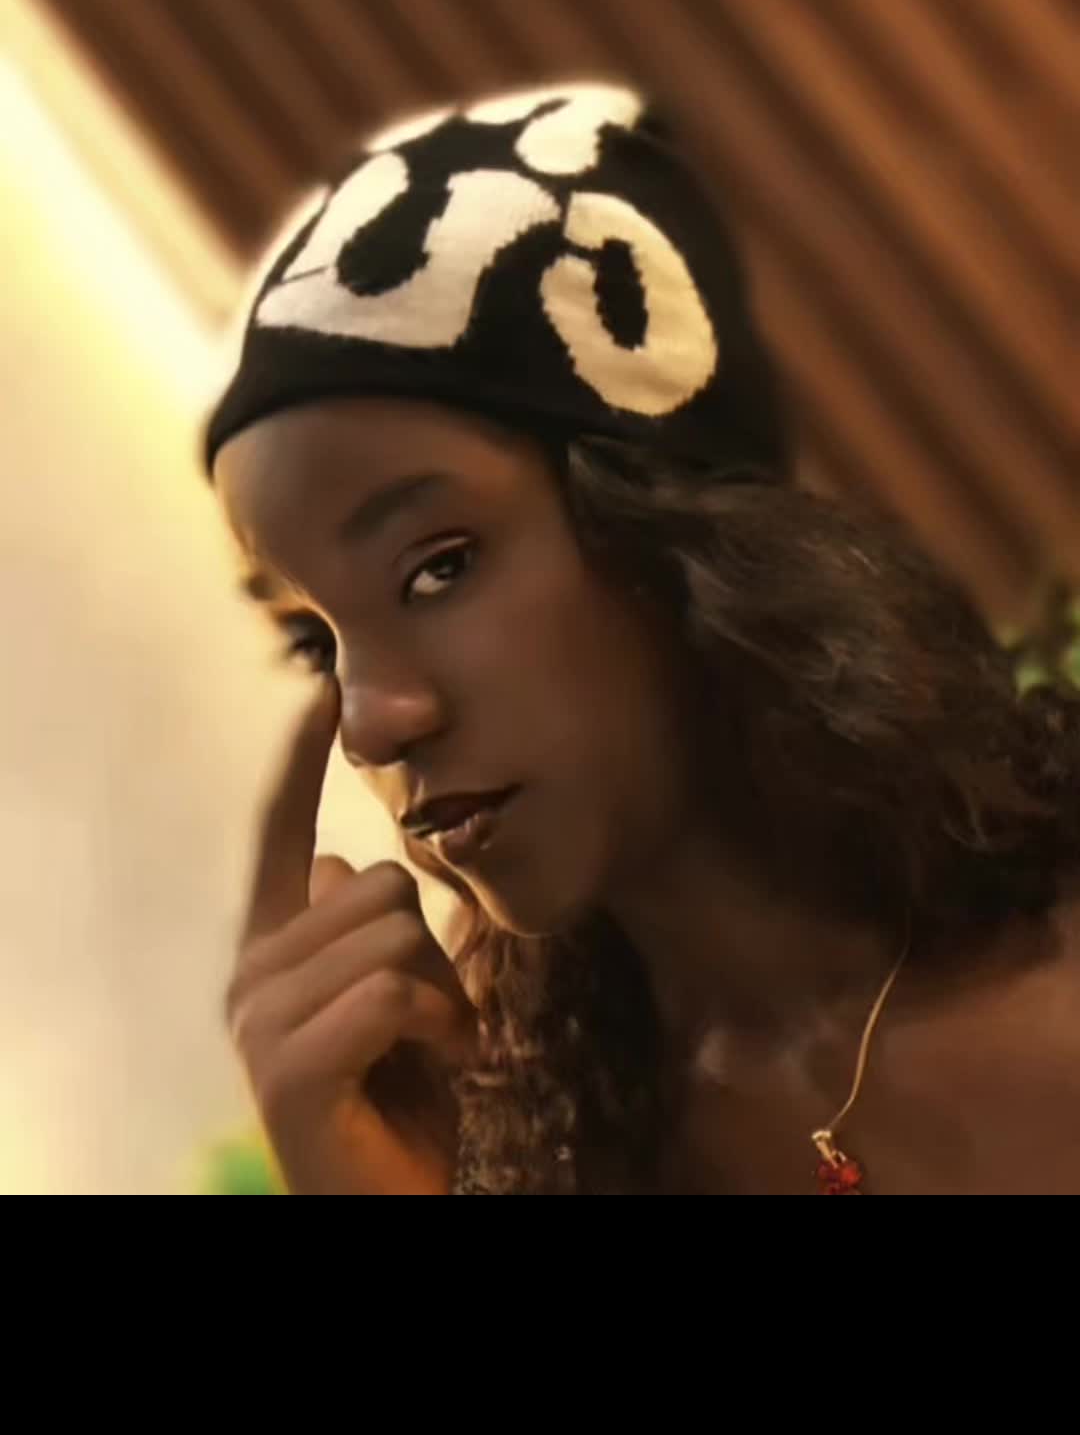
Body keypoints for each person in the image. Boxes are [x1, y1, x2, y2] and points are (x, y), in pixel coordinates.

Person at [206, 83, 1080, 1195]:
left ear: (670, 527)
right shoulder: (550, 1154)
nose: (374, 721)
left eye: (438, 568)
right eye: (316, 644)